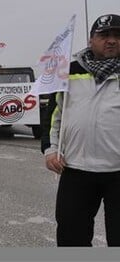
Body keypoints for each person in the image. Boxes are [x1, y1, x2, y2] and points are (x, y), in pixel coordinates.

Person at [41, 13, 120, 246]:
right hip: (75, 169)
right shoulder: (68, 71)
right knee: (71, 238)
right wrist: (50, 149)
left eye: (117, 35)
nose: (112, 40)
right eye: (104, 35)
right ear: (90, 40)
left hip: (118, 172)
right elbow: (54, 115)